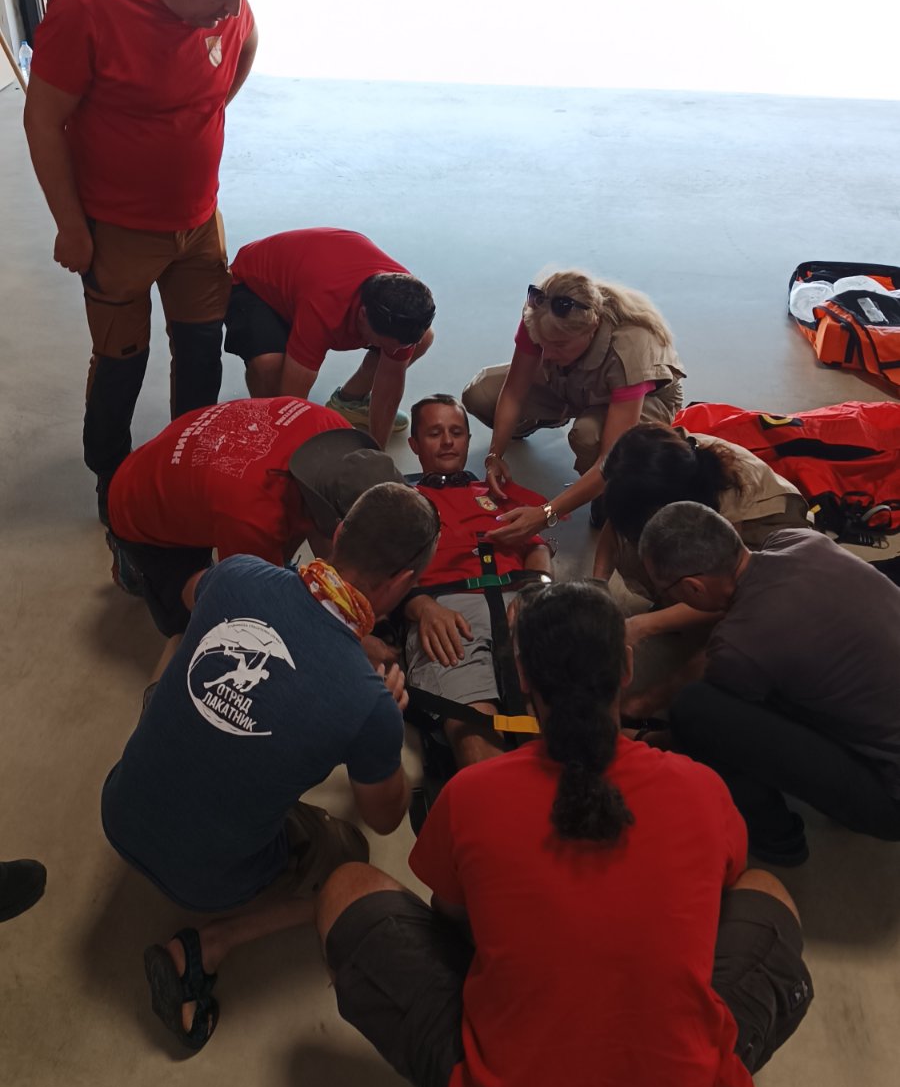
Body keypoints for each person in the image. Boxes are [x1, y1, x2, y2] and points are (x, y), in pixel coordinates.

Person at [316, 581, 811, 1087]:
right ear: (626, 667)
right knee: (766, 887)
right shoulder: (701, 789)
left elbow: (450, 918)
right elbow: (719, 895)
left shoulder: (471, 796)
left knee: (348, 885)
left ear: (523, 676)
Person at [101, 481, 440, 1055]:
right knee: (349, 857)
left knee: (184, 652)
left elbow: (194, 593)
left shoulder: (238, 573)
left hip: (119, 807)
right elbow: (385, 817)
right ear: (403, 582)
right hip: (206, 880)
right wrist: (383, 718)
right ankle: (208, 946)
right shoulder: (368, 702)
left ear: (338, 534)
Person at [23, 0, 259, 517]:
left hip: (199, 222)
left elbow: (243, 49)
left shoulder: (224, 1)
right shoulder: (91, 3)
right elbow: (42, 120)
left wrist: (193, 121)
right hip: (117, 228)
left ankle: (188, 468)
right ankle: (113, 483)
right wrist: (71, 227)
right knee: (121, 361)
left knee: (202, 352)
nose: (233, 10)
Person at [639, 502, 900, 865]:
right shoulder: (800, 539)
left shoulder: (738, 647)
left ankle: (778, 840)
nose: (667, 599)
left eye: (665, 591)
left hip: (891, 798)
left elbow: (718, 716)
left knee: (695, 710)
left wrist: (651, 740)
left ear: (693, 587)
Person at [105, 396, 390, 637]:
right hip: (136, 503)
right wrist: (351, 639)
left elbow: (326, 539)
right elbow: (255, 602)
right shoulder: (254, 515)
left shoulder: (335, 432)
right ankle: (129, 559)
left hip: (177, 461)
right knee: (189, 624)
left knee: (264, 540)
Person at [463, 269, 684, 545]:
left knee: (588, 435)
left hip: (644, 400)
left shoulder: (631, 348)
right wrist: (495, 455)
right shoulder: (540, 314)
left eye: (558, 345)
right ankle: (550, 416)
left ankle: (611, 495)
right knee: (481, 394)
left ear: (592, 328)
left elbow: (610, 458)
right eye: (542, 344)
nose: (546, 355)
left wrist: (546, 514)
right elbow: (513, 393)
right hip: (572, 381)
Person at [403, 395, 552, 767]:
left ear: (469, 440)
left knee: (553, 714)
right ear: (414, 444)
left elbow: (536, 546)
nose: (448, 442)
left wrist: (539, 591)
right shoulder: (401, 502)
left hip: (521, 601)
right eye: (435, 433)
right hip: (447, 614)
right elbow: (382, 575)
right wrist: (422, 607)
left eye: (456, 432)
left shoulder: (498, 493)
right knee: (473, 727)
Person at [596, 422, 808, 647]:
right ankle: (675, 607)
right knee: (635, 554)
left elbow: (725, 584)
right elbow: (618, 520)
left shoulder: (727, 492)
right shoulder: (655, 462)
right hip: (693, 523)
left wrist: (642, 626)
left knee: (733, 630)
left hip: (762, 534)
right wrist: (597, 585)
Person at [224, 227, 435, 446]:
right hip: (254, 284)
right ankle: (266, 433)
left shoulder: (407, 305)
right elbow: (291, 399)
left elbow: (390, 383)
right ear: (363, 315)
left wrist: (376, 451)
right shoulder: (325, 308)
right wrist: (290, 451)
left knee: (425, 339)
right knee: (270, 367)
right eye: (384, 345)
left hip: (308, 281)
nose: (391, 353)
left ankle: (349, 402)